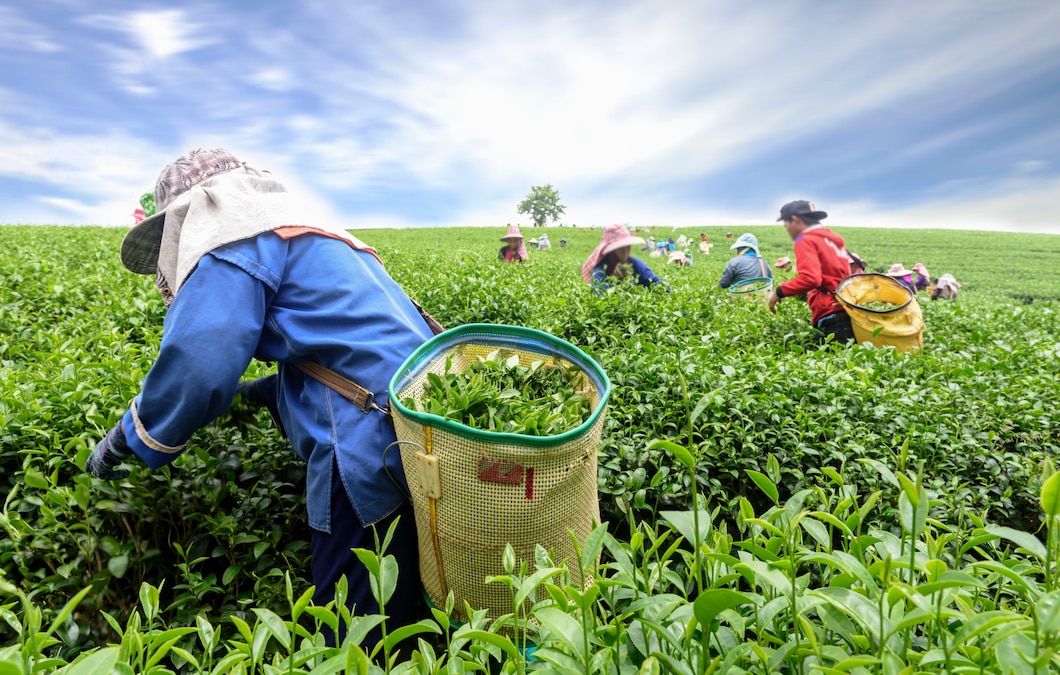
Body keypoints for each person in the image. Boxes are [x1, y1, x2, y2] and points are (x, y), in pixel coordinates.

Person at [84, 148, 433, 645]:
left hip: (361, 436)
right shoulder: (313, 235)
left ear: (194, 210)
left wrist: (131, 435)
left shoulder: (234, 236)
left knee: (356, 622)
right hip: (417, 417)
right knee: (400, 594)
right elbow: (345, 344)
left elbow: (199, 361)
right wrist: (262, 394)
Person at [767, 200, 855, 343]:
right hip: (845, 307)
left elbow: (811, 278)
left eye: (786, 224)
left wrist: (779, 292)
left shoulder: (805, 239)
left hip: (829, 312)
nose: (787, 229)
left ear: (795, 219)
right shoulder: (833, 239)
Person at [581, 223, 665, 291]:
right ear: (611, 250)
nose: (626, 250)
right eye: (621, 247)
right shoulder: (601, 270)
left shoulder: (635, 264)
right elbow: (599, 296)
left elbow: (659, 284)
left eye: (628, 246)